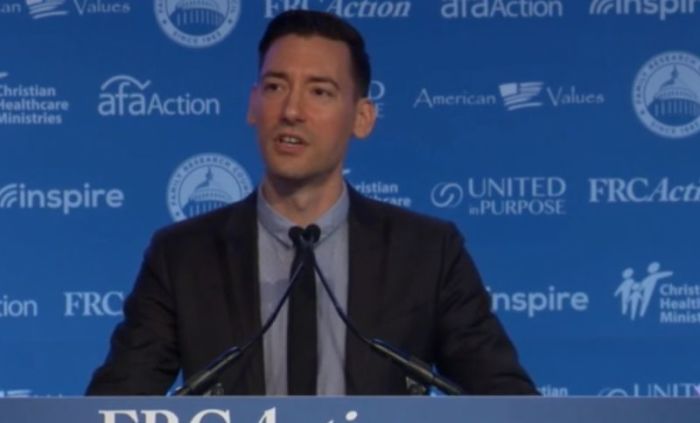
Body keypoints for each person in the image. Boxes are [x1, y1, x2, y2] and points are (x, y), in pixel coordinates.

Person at [86, 10, 537, 396]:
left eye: (320, 91)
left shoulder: (428, 253)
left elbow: (507, 402)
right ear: (253, 104)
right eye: (276, 87)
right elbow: (113, 406)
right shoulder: (181, 256)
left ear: (362, 118)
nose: (292, 111)